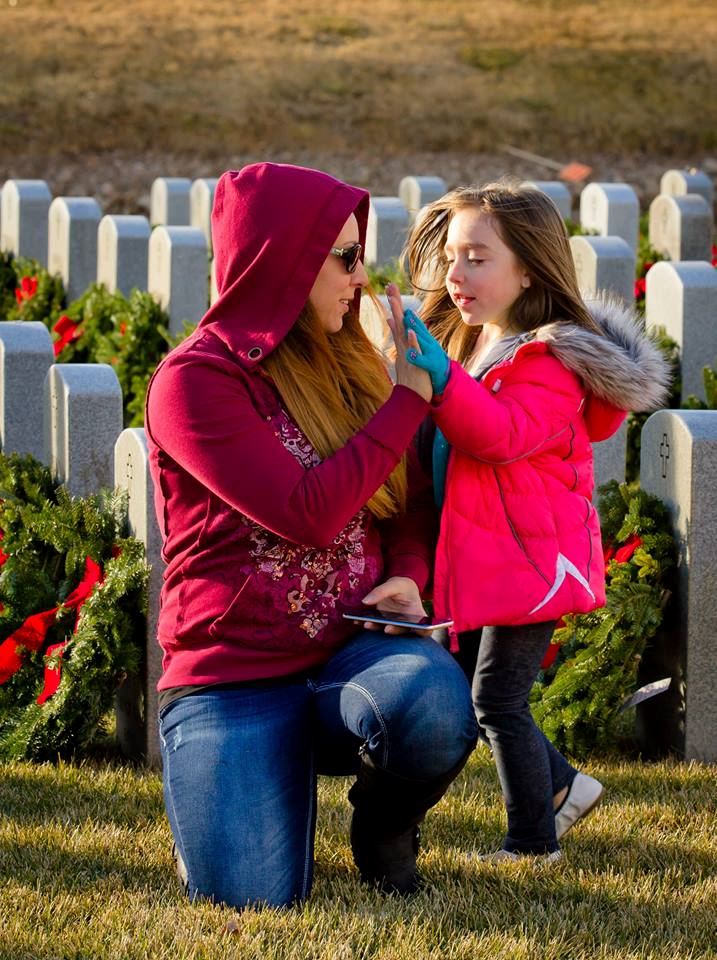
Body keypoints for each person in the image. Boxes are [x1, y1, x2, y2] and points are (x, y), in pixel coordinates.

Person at [144, 162, 478, 909]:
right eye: (345, 258)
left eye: (362, 257)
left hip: (346, 657)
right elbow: (305, 511)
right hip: (230, 681)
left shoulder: (347, 361)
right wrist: (409, 396)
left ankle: (383, 827)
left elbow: (406, 502)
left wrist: (409, 573)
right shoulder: (196, 381)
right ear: (284, 257)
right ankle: (226, 784)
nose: (361, 278)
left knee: (428, 699)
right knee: (251, 899)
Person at [395, 180, 671, 862]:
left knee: (496, 700)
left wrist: (442, 379)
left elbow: (500, 433)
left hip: (532, 561)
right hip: (496, 553)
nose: (457, 273)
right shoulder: (481, 340)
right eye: (453, 256)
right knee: (474, 686)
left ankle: (530, 841)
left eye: (478, 258)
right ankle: (562, 787)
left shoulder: (546, 360)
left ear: (528, 270)